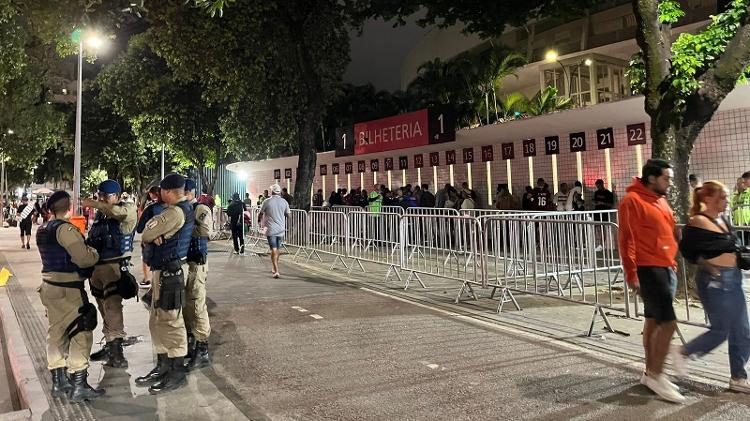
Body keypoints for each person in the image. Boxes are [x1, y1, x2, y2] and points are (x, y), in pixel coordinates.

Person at [675, 181, 750, 393]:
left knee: (742, 330)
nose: (727, 201)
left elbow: (729, 245)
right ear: (708, 199)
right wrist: (707, 265)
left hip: (733, 278)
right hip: (716, 282)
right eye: (723, 197)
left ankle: (738, 377)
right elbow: (688, 250)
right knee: (722, 330)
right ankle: (683, 352)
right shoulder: (699, 220)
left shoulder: (723, 219)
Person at [618, 159, 684, 403]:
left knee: (654, 322)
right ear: (652, 178)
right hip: (649, 269)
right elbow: (626, 240)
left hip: (667, 266)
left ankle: (650, 372)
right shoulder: (631, 201)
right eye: (667, 178)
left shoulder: (661, 199)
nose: (670, 183)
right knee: (668, 323)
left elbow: (665, 229)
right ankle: (656, 374)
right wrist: (632, 274)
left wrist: (675, 240)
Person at [36, 191, 104, 402]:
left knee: (56, 332)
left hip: (48, 287)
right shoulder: (66, 230)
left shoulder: (42, 229)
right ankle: (79, 383)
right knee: (81, 331)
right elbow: (83, 259)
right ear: (69, 207)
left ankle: (58, 381)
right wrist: (94, 253)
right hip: (68, 289)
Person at [135, 173, 194, 394]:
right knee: (158, 318)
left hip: (171, 271)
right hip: (164, 270)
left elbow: (147, 232)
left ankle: (176, 371)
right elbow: (148, 233)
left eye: (161, 191)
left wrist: (152, 234)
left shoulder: (175, 212)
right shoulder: (178, 210)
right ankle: (163, 365)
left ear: (167, 191)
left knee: (171, 320)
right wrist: (152, 235)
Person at [81, 180, 137, 369]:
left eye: (107, 196)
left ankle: (117, 351)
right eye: (100, 195)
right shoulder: (100, 215)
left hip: (114, 267)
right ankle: (110, 342)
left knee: (113, 308)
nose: (102, 199)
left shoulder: (126, 209)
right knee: (103, 306)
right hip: (97, 267)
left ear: (118, 196)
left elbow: (118, 213)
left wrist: (96, 204)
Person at [183, 179, 213, 370]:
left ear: (191, 192)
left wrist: (181, 227)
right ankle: (192, 340)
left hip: (196, 262)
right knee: (186, 305)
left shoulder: (200, 209)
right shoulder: (182, 210)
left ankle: (202, 348)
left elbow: (204, 230)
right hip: (184, 262)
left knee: (196, 304)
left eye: (183, 192)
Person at [259, 184, 291, 278]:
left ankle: (276, 270)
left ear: (272, 191)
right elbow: (289, 216)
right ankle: (274, 267)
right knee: (277, 249)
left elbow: (260, 213)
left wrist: (259, 221)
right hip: (281, 229)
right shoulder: (284, 202)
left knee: (273, 248)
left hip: (271, 229)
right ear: (279, 192)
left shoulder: (267, 201)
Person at [137, 186, 163, 288]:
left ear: (153, 194)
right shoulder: (171, 208)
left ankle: (147, 279)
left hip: (151, 240)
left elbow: (140, 228)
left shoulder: (151, 208)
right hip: (167, 241)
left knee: (146, 258)